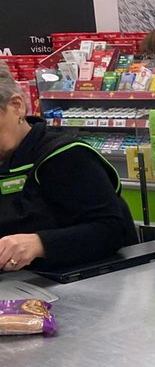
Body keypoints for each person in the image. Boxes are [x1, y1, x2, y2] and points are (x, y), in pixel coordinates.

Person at [0, 65, 138, 270]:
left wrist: (40, 244)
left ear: (16, 106)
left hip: (85, 281)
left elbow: (110, 231)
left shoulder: (66, 156)